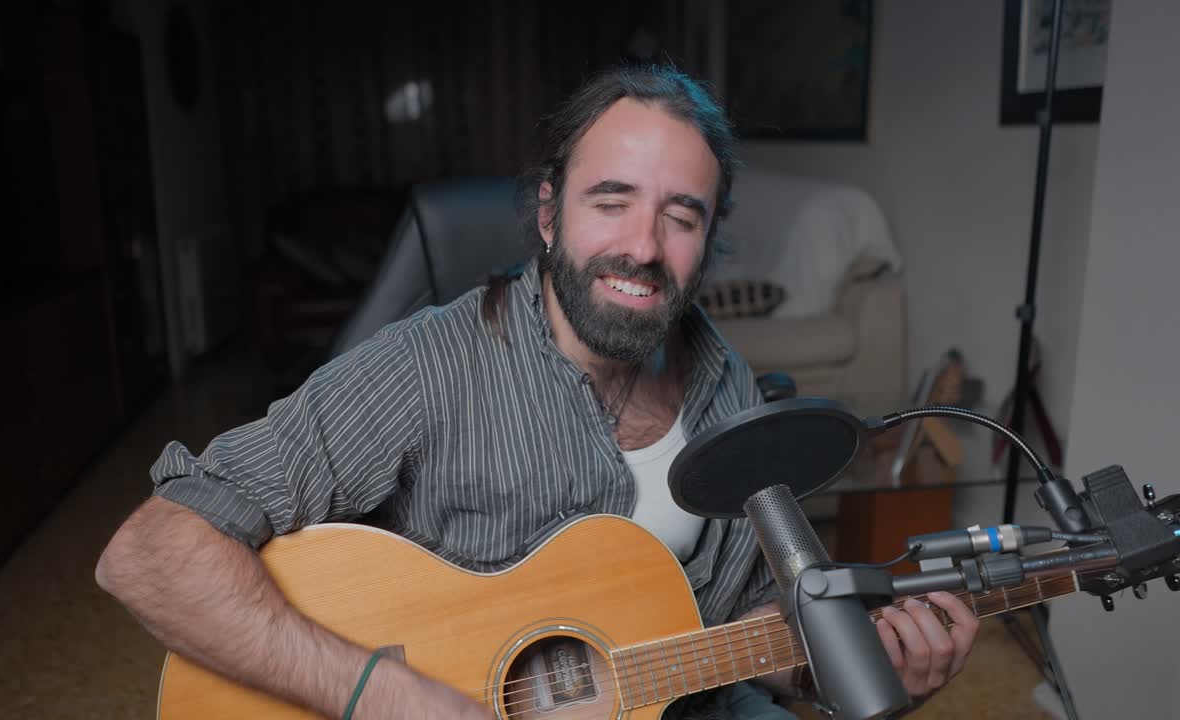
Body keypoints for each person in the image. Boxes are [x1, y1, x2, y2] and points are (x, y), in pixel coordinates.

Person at [96, 65, 978, 720]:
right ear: (550, 214)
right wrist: (384, 694)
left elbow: (741, 627)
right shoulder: (424, 366)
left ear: (709, 243)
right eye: (612, 201)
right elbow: (149, 555)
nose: (643, 245)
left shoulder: (728, 384)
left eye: (681, 216)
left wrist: (842, 670)